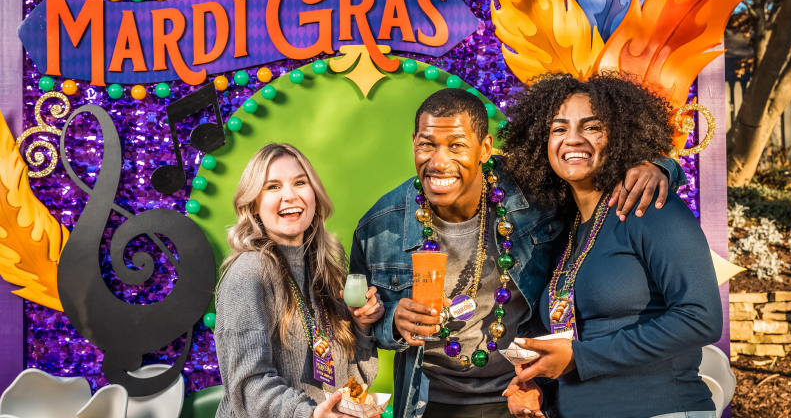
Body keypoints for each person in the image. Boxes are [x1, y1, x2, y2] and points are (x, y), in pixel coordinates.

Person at [348, 88, 686, 418]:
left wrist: (657, 167)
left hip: (525, 394)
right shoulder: (378, 228)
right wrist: (391, 321)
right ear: (413, 143)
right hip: (425, 400)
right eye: (427, 145)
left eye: (456, 146)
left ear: (485, 148)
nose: (439, 162)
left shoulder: (532, 191)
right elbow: (359, 329)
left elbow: (591, 163)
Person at [501, 73, 723, 418]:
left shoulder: (649, 207)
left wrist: (580, 357)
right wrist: (539, 388)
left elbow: (701, 318)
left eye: (592, 127)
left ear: (620, 137)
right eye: (558, 129)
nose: (572, 140)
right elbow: (575, 336)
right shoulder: (563, 231)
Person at [215, 143, 385, 418]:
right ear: (253, 204)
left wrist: (362, 327)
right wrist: (309, 414)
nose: (290, 196)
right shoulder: (249, 273)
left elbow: (352, 380)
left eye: (300, 183)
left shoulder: (326, 271)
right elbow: (248, 385)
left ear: (315, 196)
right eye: (273, 187)